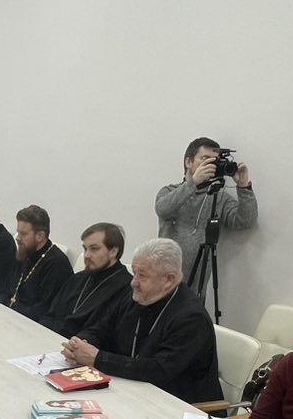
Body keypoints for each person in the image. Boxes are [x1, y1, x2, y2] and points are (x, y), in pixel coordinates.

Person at [61, 238, 221, 404]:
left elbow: (159, 370)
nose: (133, 282)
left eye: (142, 275)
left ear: (169, 280)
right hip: (130, 390)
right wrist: (80, 344)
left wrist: (97, 358)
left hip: (178, 405)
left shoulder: (191, 318)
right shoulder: (136, 297)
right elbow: (101, 329)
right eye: (134, 272)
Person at [154, 136, 258, 278]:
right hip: (163, 276)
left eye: (214, 161)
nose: (211, 165)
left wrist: (243, 187)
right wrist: (194, 182)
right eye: (205, 159)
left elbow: (246, 221)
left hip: (198, 281)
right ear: (188, 162)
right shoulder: (169, 191)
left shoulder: (219, 197)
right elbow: (162, 209)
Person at [37, 222, 133, 339]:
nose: (86, 255)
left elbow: (106, 336)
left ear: (113, 251)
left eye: (94, 249)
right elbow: (50, 315)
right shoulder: (77, 279)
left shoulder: (127, 289)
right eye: (85, 249)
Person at [5, 204, 73, 321]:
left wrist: (9, 308)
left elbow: (42, 310)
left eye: (23, 234)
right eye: (18, 232)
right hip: (10, 316)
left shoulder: (56, 264)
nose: (18, 238)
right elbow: (6, 289)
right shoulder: (24, 252)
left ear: (40, 236)